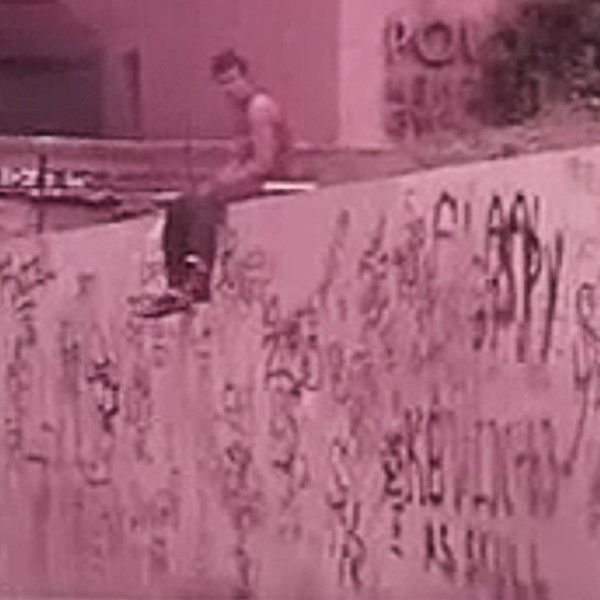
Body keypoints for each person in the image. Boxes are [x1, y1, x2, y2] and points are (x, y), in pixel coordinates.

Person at [140, 49, 292, 317]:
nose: (229, 89)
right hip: (249, 177)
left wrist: (220, 185)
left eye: (233, 80)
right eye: (223, 83)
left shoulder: (259, 108)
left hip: (271, 179)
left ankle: (199, 275)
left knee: (204, 204)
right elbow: (238, 161)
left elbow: (264, 163)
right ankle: (176, 284)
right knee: (182, 205)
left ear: (246, 77)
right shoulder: (240, 113)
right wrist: (214, 180)